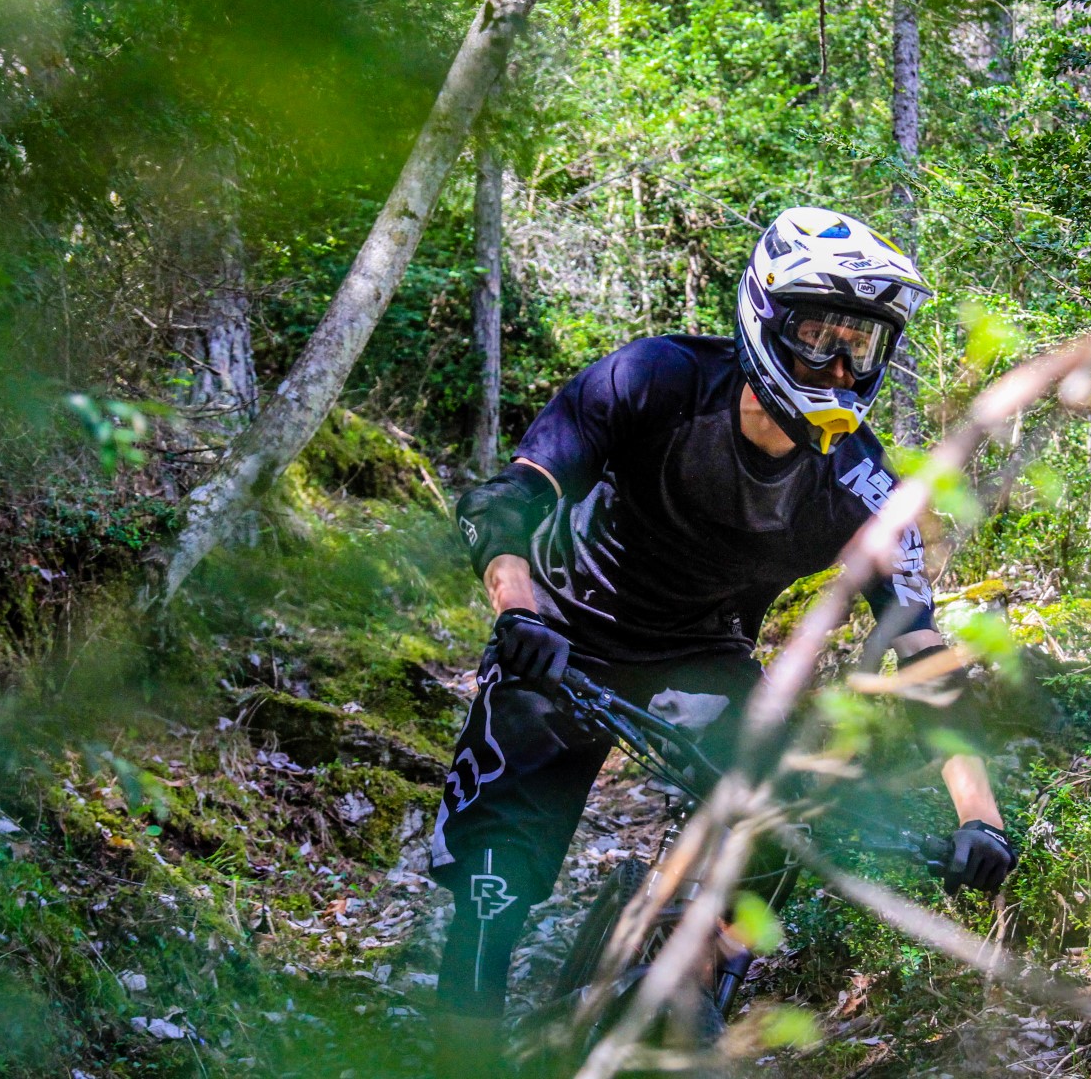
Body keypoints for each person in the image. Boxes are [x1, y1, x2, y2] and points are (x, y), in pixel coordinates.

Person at [429, 206, 1015, 1038]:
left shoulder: (865, 489)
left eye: (864, 345)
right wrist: (517, 610)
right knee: (496, 884)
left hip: (703, 663)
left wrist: (979, 815)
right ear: (766, 318)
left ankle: (701, 977)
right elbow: (511, 500)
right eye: (821, 335)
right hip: (560, 637)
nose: (842, 367)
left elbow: (920, 646)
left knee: (790, 802)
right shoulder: (653, 382)